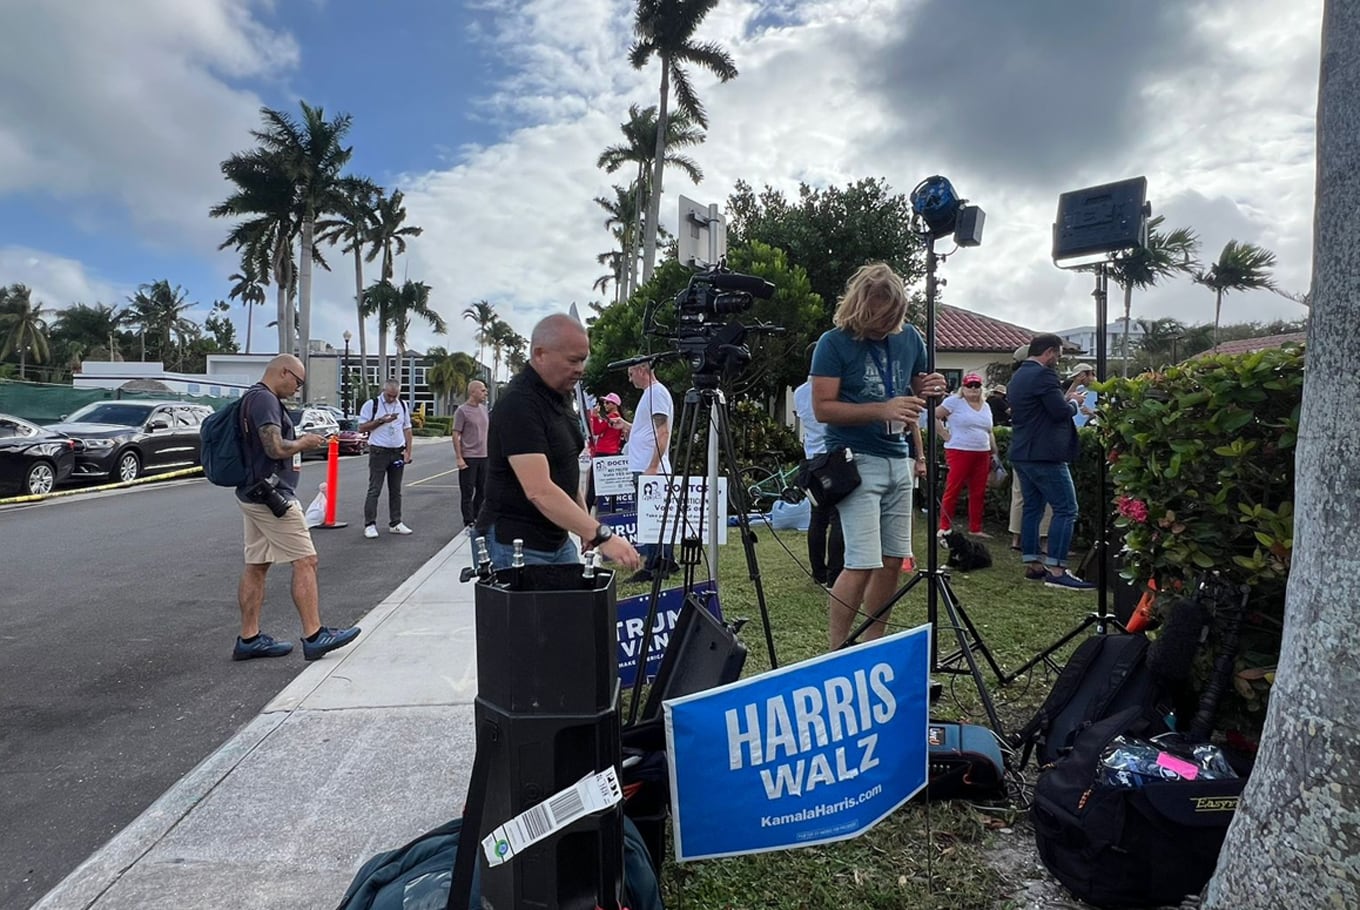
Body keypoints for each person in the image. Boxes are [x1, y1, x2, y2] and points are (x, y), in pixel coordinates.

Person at [810, 262, 947, 649]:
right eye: (875, 317)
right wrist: (882, 409)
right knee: (861, 561)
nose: (883, 325)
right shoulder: (833, 342)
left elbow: (921, 387)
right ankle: (837, 651)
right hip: (856, 461)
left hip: (899, 460)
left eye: (890, 317)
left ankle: (872, 645)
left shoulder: (911, 339)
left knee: (892, 561)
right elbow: (823, 409)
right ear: (858, 306)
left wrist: (932, 386)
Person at [475, 314, 642, 569]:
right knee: (534, 611)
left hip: (556, 540)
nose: (580, 369)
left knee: (571, 608)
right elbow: (539, 490)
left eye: (583, 360)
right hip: (513, 544)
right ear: (540, 354)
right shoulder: (519, 403)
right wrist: (601, 534)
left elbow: (565, 469)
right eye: (573, 360)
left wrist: (584, 525)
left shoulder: (560, 398)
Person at [232, 354, 360, 662]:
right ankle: (314, 635)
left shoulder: (253, 397)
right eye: (298, 382)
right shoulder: (264, 400)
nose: (298, 389)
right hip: (271, 496)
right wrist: (305, 441)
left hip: (253, 492)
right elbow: (274, 447)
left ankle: (249, 639)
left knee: (257, 565)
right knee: (307, 561)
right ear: (283, 372)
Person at [1010, 334, 1096, 590]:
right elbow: (1059, 411)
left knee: (1032, 508)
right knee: (1066, 508)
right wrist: (1073, 402)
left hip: (1022, 452)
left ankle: (1033, 563)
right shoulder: (1044, 376)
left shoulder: (1018, 377)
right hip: (1045, 454)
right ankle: (1057, 570)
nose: (1057, 360)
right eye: (1057, 355)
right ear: (1049, 352)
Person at [616, 360, 674, 582]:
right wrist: (626, 425)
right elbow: (648, 431)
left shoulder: (656, 393)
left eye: (631, 374)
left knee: (650, 519)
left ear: (642, 370)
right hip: (648, 466)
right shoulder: (652, 394)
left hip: (649, 469)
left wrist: (652, 466)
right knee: (658, 517)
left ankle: (654, 566)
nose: (630, 379)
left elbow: (663, 432)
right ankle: (666, 560)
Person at [935, 372, 999, 538]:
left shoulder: (986, 406)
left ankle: (975, 527)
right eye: (969, 385)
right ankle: (944, 525)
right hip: (959, 450)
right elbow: (934, 415)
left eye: (976, 386)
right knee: (953, 488)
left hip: (982, 452)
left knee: (978, 491)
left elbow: (989, 430)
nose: (973, 389)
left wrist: (994, 451)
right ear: (962, 388)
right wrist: (944, 434)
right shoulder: (954, 402)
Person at [794, 377, 844, 587]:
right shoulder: (833, 390)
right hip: (832, 458)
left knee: (817, 519)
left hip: (812, 458)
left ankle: (818, 573)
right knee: (838, 518)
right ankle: (835, 574)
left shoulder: (799, 392)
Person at [358, 379, 415, 538]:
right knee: (375, 488)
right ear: (384, 391)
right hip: (379, 451)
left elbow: (407, 429)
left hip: (397, 451)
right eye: (389, 396)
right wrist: (382, 420)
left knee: (396, 490)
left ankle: (395, 522)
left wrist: (408, 451)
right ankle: (370, 524)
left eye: (395, 396)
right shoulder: (372, 404)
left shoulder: (402, 405)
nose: (392, 399)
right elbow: (361, 427)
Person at [453, 380, 489, 529]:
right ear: (473, 392)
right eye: (482, 390)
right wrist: (459, 457)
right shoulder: (462, 411)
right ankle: (468, 521)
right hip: (469, 457)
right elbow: (456, 434)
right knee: (467, 491)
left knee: (483, 490)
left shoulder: (484, 409)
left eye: (485, 390)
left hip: (484, 456)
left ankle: (477, 517)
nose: (485, 393)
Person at [586, 392, 626, 512]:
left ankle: (586, 510)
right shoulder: (617, 418)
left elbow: (597, 431)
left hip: (603, 452)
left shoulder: (612, 417)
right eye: (605, 402)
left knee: (593, 485)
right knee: (613, 485)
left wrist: (594, 416)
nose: (605, 404)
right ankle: (612, 511)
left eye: (608, 402)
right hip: (613, 452)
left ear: (615, 404)